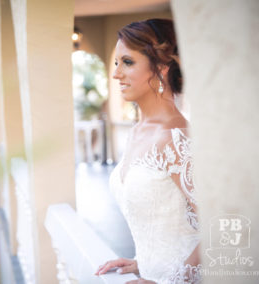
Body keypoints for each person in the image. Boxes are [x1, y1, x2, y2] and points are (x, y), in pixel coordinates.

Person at [94, 19, 202, 283]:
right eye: (116, 62)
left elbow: (223, 228)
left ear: (162, 68)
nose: (116, 73)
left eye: (128, 62)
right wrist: (143, 262)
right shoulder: (137, 132)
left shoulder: (177, 138)